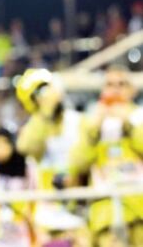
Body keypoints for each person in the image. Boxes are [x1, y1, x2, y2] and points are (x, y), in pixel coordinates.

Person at [68, 65, 143, 247]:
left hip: (140, 208)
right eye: (109, 84)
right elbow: (77, 163)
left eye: (121, 84)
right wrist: (94, 130)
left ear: (131, 90)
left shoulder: (139, 116)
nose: (115, 89)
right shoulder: (90, 121)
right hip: (105, 212)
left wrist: (129, 126)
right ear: (102, 90)